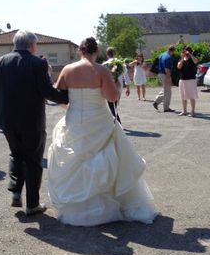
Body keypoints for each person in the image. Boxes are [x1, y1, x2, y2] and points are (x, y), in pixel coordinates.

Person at [47, 37, 158, 226]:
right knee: (108, 157)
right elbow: (111, 97)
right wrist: (118, 84)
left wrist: (73, 108)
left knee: (76, 159)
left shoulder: (67, 70)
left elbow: (59, 97)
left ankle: (79, 206)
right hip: (99, 119)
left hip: (75, 119)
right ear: (96, 51)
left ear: (80, 51)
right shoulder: (101, 70)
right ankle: (111, 202)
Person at [0, 29, 69, 215]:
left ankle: (16, 190)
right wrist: (68, 96)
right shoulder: (38, 63)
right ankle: (32, 204)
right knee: (33, 160)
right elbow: (47, 91)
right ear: (32, 45)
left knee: (16, 154)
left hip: (7, 121)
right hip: (32, 121)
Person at [103, 47, 130, 124]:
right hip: (119, 87)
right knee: (115, 105)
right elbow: (126, 76)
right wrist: (128, 88)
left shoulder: (105, 65)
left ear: (107, 54)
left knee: (111, 106)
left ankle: (116, 123)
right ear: (114, 54)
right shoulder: (121, 64)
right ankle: (115, 122)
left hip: (108, 87)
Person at [177, 46, 199, 116]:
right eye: (184, 51)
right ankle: (184, 111)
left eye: (187, 51)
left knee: (191, 96)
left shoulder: (192, 59)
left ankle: (193, 111)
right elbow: (179, 67)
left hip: (191, 80)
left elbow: (196, 61)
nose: (185, 53)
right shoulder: (181, 59)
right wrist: (182, 58)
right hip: (182, 80)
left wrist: (190, 54)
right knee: (183, 96)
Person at [152, 45, 176, 112]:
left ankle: (156, 102)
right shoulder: (168, 57)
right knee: (168, 92)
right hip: (165, 74)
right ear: (172, 51)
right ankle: (166, 108)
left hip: (160, 73)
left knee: (165, 89)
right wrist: (168, 78)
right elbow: (167, 69)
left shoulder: (161, 55)